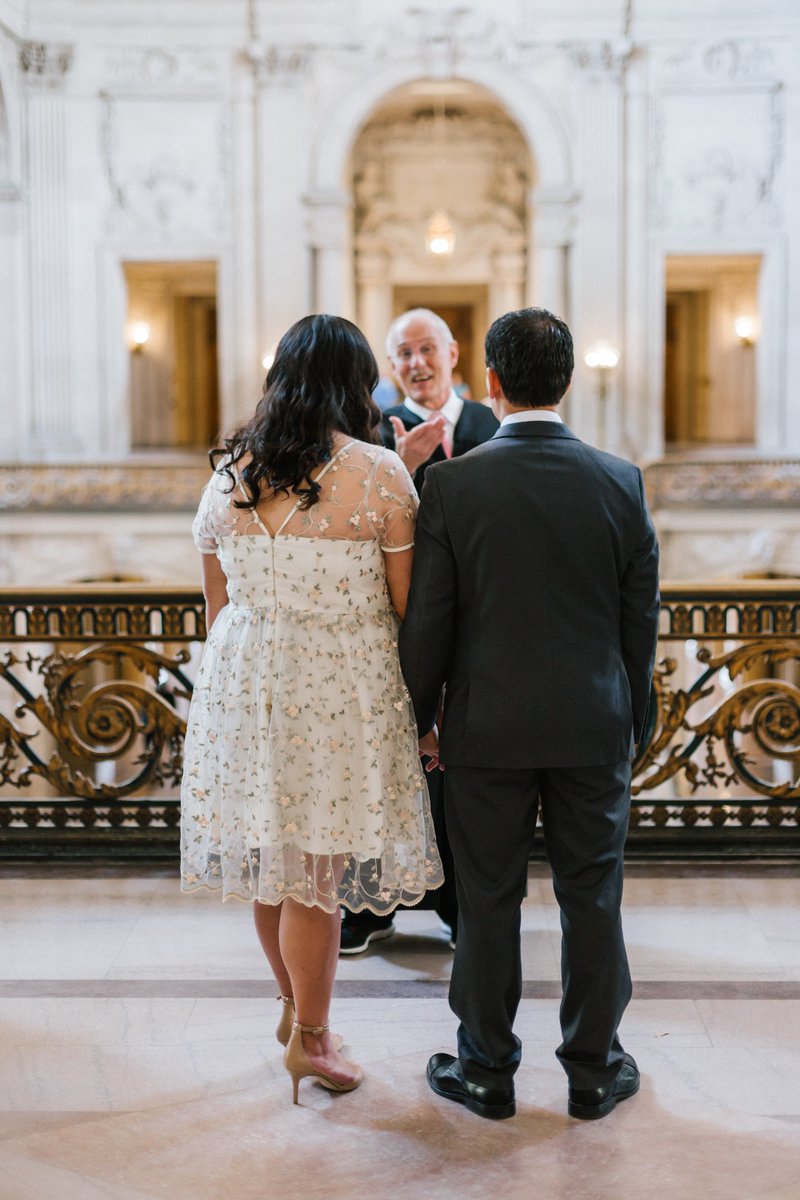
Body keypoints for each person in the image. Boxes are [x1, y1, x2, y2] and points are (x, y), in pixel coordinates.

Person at [399, 307, 660, 1121]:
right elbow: (638, 620)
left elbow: (430, 622)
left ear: (492, 384)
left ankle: (485, 1070)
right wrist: (634, 718)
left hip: (486, 728)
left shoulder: (451, 483)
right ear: (569, 381)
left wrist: (418, 723)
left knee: (487, 899)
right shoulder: (621, 480)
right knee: (594, 897)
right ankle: (593, 1069)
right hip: (592, 723)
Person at [180, 314, 444, 1104]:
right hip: (337, 689)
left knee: (274, 863)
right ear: (354, 381)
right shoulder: (380, 473)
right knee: (318, 878)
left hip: (245, 680)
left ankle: (295, 1011)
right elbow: (409, 610)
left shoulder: (228, 474)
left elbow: (217, 606)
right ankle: (316, 1043)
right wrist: (426, 713)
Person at [338, 307, 498, 957]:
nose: (416, 364)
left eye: (426, 349)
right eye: (402, 354)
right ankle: (370, 908)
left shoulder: (492, 426)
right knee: (382, 768)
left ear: (453, 354)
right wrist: (398, 463)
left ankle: (460, 906)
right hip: (389, 623)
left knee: (458, 773)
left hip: (472, 624)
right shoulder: (369, 433)